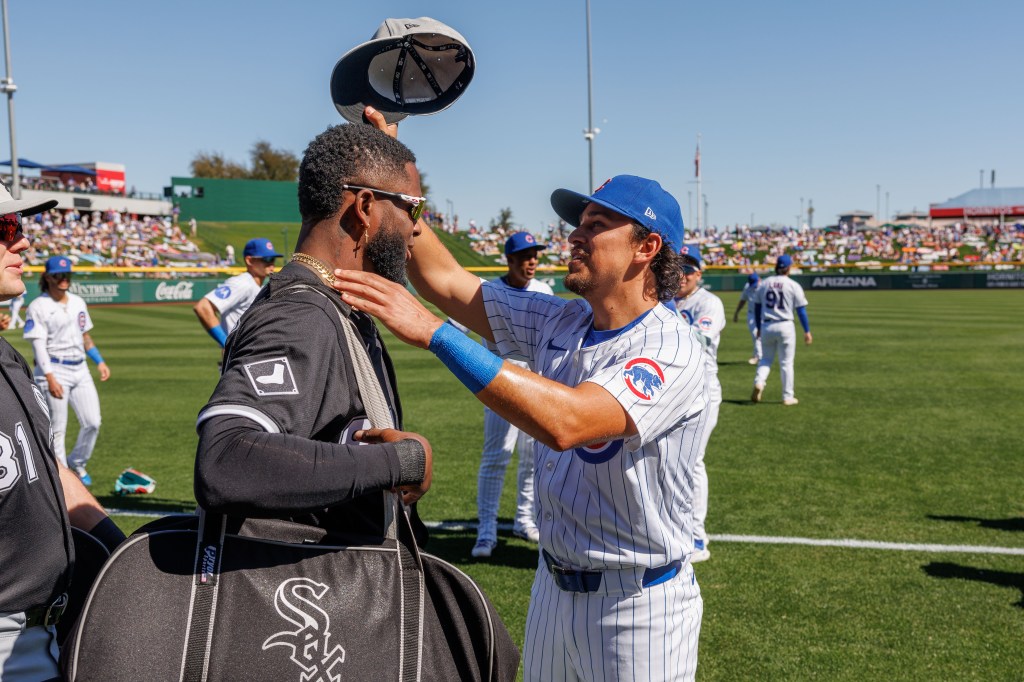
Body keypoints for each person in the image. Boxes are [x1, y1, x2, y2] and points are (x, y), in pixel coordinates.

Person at [335, 144, 708, 680]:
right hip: (553, 590)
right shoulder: (562, 320)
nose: (574, 236)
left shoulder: (673, 346)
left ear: (647, 247)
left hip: (640, 606)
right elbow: (444, 279)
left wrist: (436, 334)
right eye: (578, 223)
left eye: (596, 225)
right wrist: (398, 176)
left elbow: (569, 423)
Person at [193, 122, 432, 541]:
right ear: (365, 207)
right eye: (412, 207)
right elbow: (225, 459)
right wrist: (401, 462)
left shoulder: (333, 304)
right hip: (308, 600)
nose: (417, 226)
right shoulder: (301, 315)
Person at [0, 188, 125, 681]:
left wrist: (121, 555)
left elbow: (52, 467)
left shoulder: (7, 358)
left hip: (48, 634)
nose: (24, 243)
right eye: (7, 230)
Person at [467, 231, 555, 559]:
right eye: (525, 256)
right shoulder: (489, 292)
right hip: (499, 385)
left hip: (535, 386)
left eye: (535, 255)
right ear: (510, 260)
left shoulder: (544, 291)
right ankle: (486, 530)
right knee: (496, 458)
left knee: (533, 458)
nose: (532, 261)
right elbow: (454, 325)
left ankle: (524, 520)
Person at [24, 256, 111, 485]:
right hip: (54, 368)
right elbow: (38, 345)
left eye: (67, 275)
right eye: (59, 275)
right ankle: (63, 479)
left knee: (93, 421)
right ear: (48, 277)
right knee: (58, 429)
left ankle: (77, 462)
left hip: (80, 368)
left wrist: (99, 361)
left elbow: (85, 337)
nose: (64, 279)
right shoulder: (38, 306)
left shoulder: (77, 302)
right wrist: (50, 377)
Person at [671, 244, 725, 564]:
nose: (681, 275)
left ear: (699, 274)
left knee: (693, 462)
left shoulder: (709, 303)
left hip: (703, 391)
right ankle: (678, 529)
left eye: (687, 270)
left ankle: (697, 536)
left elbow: (697, 337)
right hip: (673, 392)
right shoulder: (666, 300)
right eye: (677, 268)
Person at [193, 238, 282, 348]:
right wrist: (226, 344)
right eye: (266, 259)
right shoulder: (242, 283)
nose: (271, 264)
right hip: (239, 360)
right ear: (249, 260)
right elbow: (203, 307)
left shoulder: (259, 285)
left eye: (273, 259)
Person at [751, 254, 812, 405]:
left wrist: (758, 327)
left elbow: (757, 307)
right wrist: (807, 331)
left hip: (766, 324)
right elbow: (801, 311)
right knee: (786, 363)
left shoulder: (764, 283)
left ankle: (759, 382)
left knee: (765, 359)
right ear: (789, 268)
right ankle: (787, 396)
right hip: (785, 325)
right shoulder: (793, 285)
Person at [732, 273, 761, 364]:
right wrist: (736, 313)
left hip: (763, 315)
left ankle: (759, 356)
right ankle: (759, 356)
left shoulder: (765, 286)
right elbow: (743, 301)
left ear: (759, 280)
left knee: (762, 336)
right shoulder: (747, 288)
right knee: (755, 335)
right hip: (752, 315)